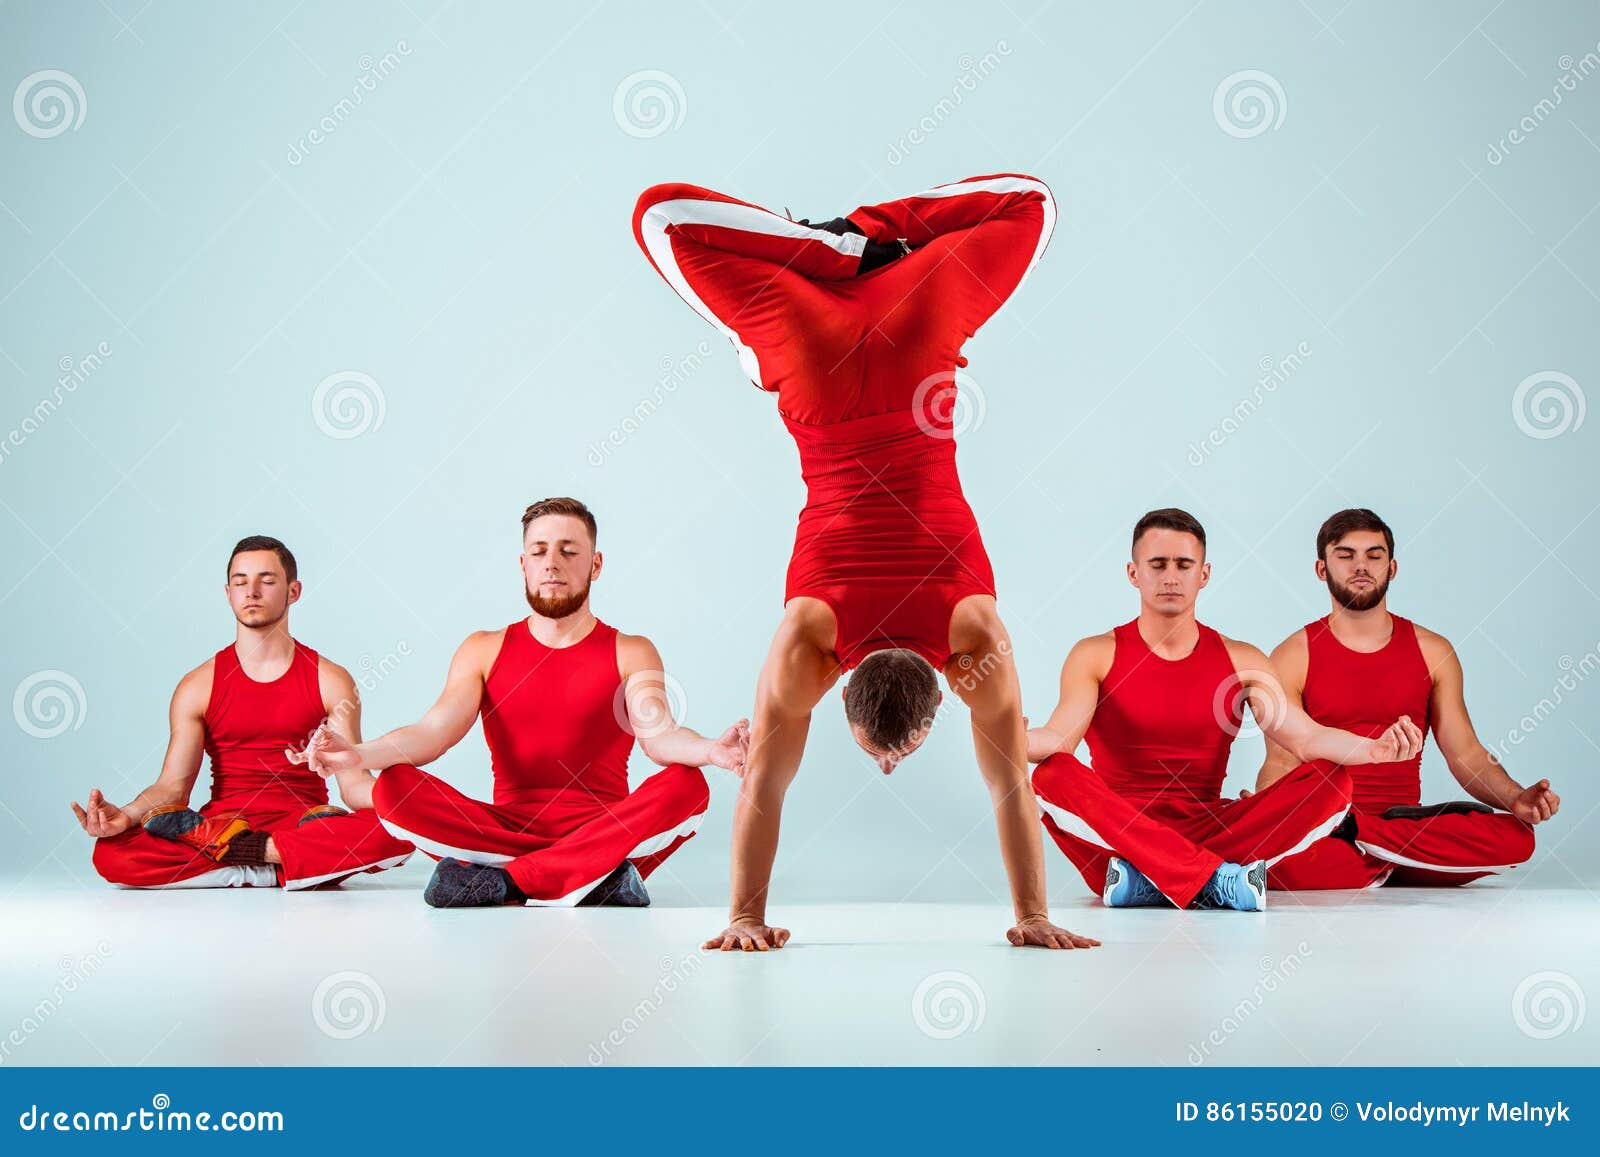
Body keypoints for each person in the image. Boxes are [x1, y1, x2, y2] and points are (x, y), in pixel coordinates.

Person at [634, 173, 1097, 950]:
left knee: (1037, 207)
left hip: (919, 347)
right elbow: (764, 790)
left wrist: (1033, 917)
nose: (889, 767)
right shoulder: (808, 646)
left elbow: (1012, 787)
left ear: (940, 694)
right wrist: (744, 918)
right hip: (813, 369)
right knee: (662, 221)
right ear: (840, 686)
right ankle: (827, 263)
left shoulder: (974, 636)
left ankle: (857, 245)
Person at [296, 497, 749, 908]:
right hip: (506, 829)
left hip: (602, 829)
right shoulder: (483, 648)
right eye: (539, 551)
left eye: (569, 551)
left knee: (687, 787)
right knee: (392, 787)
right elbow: (433, 732)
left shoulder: (630, 650)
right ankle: (592, 880)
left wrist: (711, 751)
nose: (552, 563)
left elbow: (661, 736)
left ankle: (507, 882)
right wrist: (358, 754)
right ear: (523, 564)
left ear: (595, 564)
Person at [1027, 509, 1423, 909]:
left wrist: (1374, 749)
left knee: (1331, 782)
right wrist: (1014, 736)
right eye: (1157, 564)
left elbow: (1305, 737)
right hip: (1120, 837)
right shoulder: (1095, 654)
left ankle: (1159, 879)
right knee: (1051, 773)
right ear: (1134, 573)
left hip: (1196, 834)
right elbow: (1059, 738)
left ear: (1204, 574)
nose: (1170, 577)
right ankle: (1215, 879)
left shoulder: (1241, 659)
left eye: (1183, 565)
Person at [74, 535, 414, 889]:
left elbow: (353, 783)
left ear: (293, 591)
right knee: (112, 853)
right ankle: (285, 865)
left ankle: (242, 859)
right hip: (221, 825)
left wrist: (401, 805)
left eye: (267, 581)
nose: (251, 591)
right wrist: (126, 815)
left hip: (304, 823)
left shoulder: (331, 680)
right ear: (228, 593)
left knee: (397, 833)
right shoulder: (197, 685)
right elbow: (172, 789)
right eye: (240, 582)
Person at [1257, 508, 1557, 888]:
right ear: (1322, 569)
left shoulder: (1434, 651)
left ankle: (1359, 843)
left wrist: (1515, 798)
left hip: (1403, 826)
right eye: (1346, 556)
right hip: (1325, 819)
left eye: (1374, 555)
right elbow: (1281, 760)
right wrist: (1264, 821)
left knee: (1516, 839)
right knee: (1279, 862)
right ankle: (1366, 852)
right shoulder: (1291, 656)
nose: (1361, 566)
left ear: (1392, 568)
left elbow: (1465, 753)